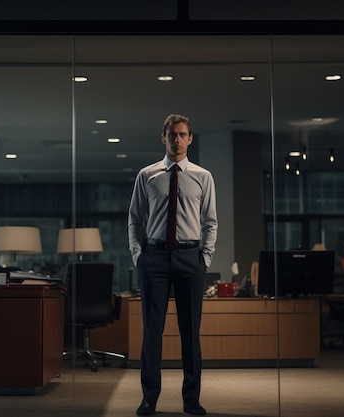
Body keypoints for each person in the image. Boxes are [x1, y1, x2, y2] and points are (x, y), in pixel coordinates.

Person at [128, 114, 218, 416]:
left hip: (190, 258)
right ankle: (148, 398)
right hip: (153, 258)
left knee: (190, 333)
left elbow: (210, 221)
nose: (177, 140)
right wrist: (138, 256)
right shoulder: (147, 175)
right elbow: (135, 219)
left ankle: (191, 399)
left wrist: (205, 258)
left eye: (182, 135)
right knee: (151, 332)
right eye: (172, 135)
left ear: (190, 139)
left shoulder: (203, 176)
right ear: (162, 138)